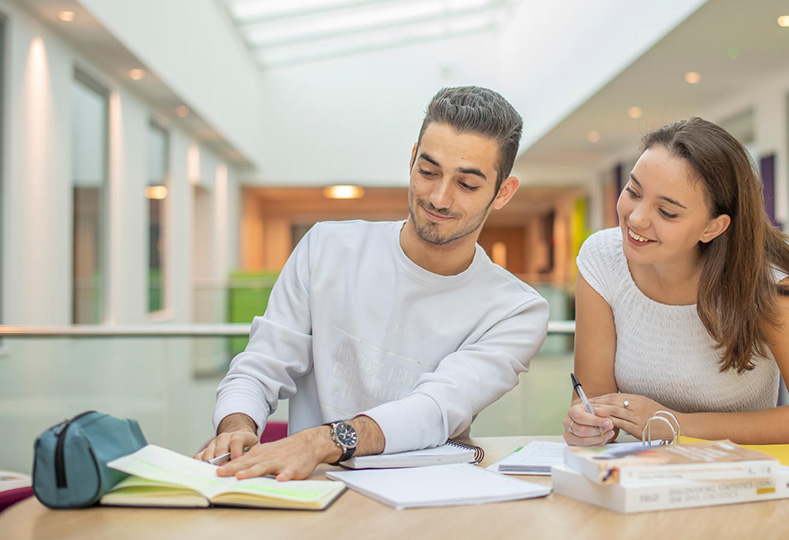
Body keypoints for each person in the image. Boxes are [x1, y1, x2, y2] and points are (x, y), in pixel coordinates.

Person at [195, 86, 550, 480]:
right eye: (428, 172)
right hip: (309, 489)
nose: (439, 197)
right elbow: (260, 366)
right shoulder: (326, 247)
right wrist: (236, 426)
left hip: (430, 498)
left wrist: (321, 442)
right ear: (412, 158)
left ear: (503, 192)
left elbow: (435, 408)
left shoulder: (516, 309)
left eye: (467, 184)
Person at [563, 117, 789, 447]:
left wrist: (676, 425)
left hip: (740, 480)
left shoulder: (763, 280)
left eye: (667, 212)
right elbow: (595, 403)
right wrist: (586, 426)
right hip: (644, 480)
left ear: (713, 228)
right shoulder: (602, 259)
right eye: (633, 191)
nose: (636, 218)